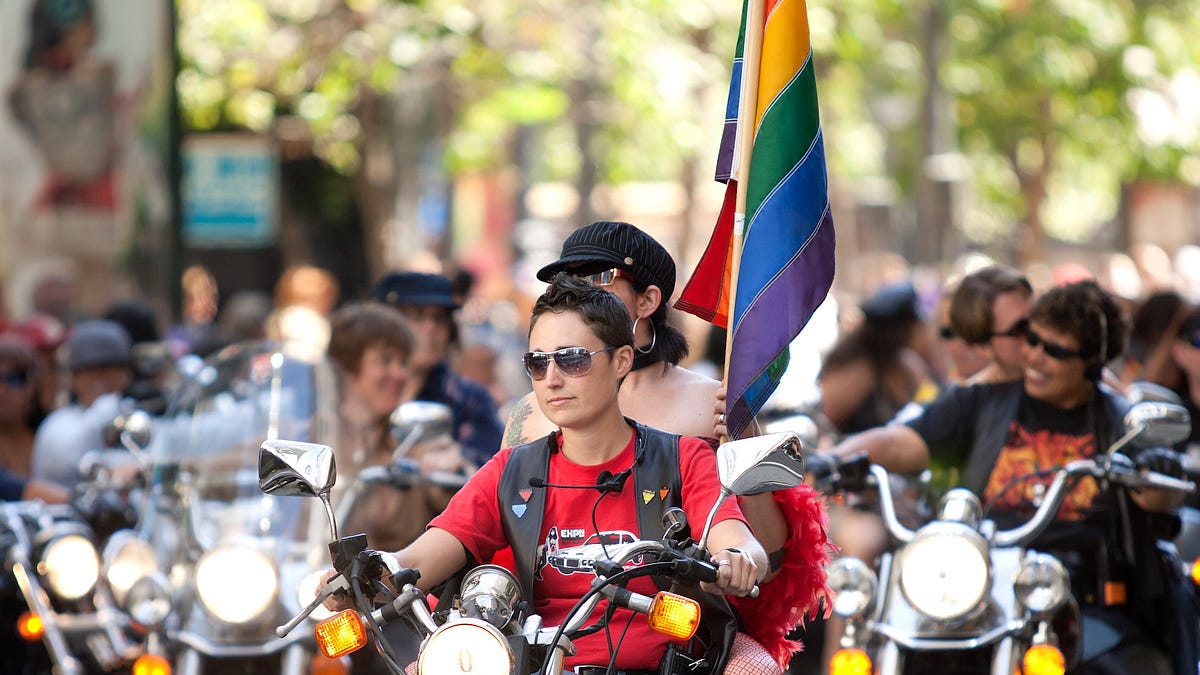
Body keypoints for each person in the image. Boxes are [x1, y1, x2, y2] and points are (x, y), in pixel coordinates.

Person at [334, 275, 767, 672]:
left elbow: (737, 539)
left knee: (758, 669)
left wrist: (738, 560)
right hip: (526, 664)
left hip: (667, 663)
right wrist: (369, 572)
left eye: (573, 360)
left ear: (621, 360)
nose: (552, 378)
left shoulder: (683, 458)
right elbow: (420, 558)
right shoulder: (511, 470)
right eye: (538, 363)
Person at [504, 220, 829, 670]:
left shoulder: (712, 405)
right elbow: (488, 533)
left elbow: (768, 563)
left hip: (682, 634)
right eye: (566, 282)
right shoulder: (532, 408)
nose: (577, 293)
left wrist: (739, 443)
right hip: (546, 635)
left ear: (649, 300)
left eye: (597, 277)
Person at [832, 280, 1194, 674]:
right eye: (1033, 340)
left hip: (1084, 599)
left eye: (1054, 351)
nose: (1035, 357)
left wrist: (1157, 471)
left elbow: (1158, 495)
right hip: (981, 587)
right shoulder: (988, 401)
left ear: (1091, 362)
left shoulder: (1118, 421)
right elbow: (904, 440)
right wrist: (833, 460)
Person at [326, 302, 469, 552]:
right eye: (385, 360)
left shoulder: (415, 437)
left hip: (395, 584)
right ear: (347, 366)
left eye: (403, 362)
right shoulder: (311, 435)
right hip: (312, 578)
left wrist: (451, 470)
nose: (400, 373)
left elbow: (463, 489)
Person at [369, 271, 504, 469]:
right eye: (417, 315)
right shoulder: (353, 387)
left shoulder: (467, 399)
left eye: (439, 318)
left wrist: (457, 462)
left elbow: (492, 471)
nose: (431, 327)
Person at [817, 280, 939, 436]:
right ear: (902, 329)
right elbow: (823, 427)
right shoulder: (859, 372)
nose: (923, 330)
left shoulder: (906, 365)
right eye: (917, 324)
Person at [31, 319, 133, 487]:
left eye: (109, 367)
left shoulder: (137, 415)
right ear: (73, 377)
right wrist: (102, 409)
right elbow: (68, 465)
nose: (99, 377)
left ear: (127, 373)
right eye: (88, 369)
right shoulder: (57, 423)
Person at [0, 334, 68, 503]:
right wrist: (73, 500)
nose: (3, 390)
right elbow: (9, 487)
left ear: (33, 384)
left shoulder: (54, 432)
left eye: (14, 379)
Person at [947, 264, 1034, 385]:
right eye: (1020, 328)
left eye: (1039, 317)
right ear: (983, 347)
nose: (1038, 332)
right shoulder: (970, 401)